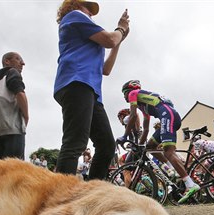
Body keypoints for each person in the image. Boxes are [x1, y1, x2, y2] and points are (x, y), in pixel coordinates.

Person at [53, 0, 130, 180]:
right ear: (74, 5)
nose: (91, 13)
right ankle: (60, 197)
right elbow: (110, 39)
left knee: (106, 145)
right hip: (76, 82)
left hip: (90, 90)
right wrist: (120, 29)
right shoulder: (73, 16)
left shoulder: (87, 31)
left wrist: (120, 39)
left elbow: (106, 69)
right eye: (88, 7)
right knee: (75, 143)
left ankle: (92, 193)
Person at [120, 80, 200, 203]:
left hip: (167, 115)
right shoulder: (144, 106)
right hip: (169, 115)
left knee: (168, 152)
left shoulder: (133, 93)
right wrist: (141, 145)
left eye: (124, 94)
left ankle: (190, 184)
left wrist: (124, 136)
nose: (125, 97)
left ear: (128, 91)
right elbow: (146, 129)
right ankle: (171, 170)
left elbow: (133, 116)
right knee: (150, 147)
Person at [0, 52, 29, 160]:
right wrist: (26, 117)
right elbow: (20, 93)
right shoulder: (12, 72)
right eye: (18, 59)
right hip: (12, 129)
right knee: (14, 171)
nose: (23, 63)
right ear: (7, 61)